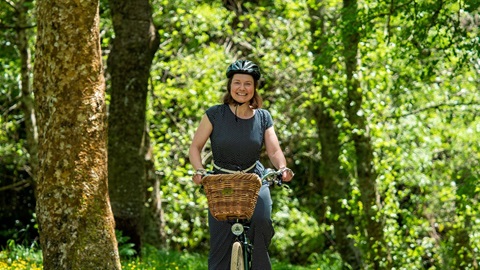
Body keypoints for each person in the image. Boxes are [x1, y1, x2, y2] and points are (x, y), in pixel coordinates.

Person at [189, 59, 294, 270]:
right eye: (237, 82)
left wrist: (282, 168)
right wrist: (200, 170)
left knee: (262, 223)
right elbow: (195, 148)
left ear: (254, 88)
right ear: (230, 86)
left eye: (248, 83)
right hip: (221, 182)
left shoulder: (263, 117)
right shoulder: (215, 114)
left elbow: (273, 150)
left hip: (254, 180)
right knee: (220, 243)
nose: (242, 88)